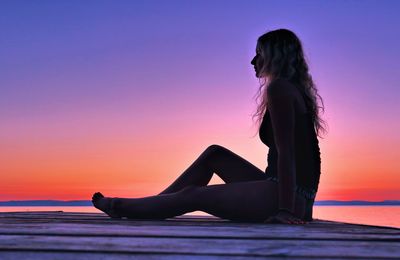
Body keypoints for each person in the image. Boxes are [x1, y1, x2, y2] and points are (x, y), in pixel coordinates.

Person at [92, 28, 327, 225]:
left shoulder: (280, 89)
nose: (253, 60)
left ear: (275, 57)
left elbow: (288, 153)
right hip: (290, 192)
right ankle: (153, 204)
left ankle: (120, 206)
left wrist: (287, 210)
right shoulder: (290, 89)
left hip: (288, 197)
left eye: (259, 54)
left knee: (193, 195)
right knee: (214, 154)